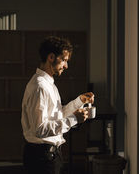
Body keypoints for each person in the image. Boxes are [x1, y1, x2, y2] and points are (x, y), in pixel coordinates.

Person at [21, 36, 94, 174]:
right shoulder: (40, 86)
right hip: (41, 159)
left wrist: (80, 101)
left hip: (48, 156)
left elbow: (57, 115)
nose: (66, 66)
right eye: (64, 60)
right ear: (51, 57)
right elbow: (40, 129)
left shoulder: (48, 84)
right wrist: (73, 120)